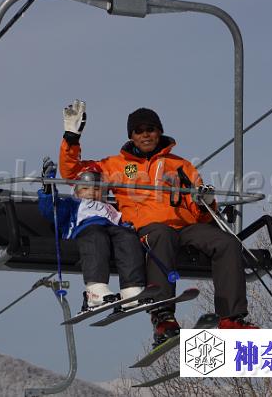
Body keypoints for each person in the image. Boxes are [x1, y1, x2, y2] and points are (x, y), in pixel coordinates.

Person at [58, 100, 258, 346]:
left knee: (227, 242)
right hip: (147, 226)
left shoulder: (181, 166)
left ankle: (231, 318)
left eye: (150, 129)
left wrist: (206, 202)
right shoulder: (115, 165)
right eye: (139, 131)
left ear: (159, 132)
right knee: (161, 235)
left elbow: (202, 215)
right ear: (131, 136)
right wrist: (71, 138)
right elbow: (73, 173)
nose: (145, 135)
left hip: (185, 226)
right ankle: (162, 316)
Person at [38, 159, 146, 311]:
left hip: (111, 233)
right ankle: (95, 289)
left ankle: (131, 289)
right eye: (85, 188)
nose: (91, 192)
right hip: (86, 233)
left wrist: (127, 227)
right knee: (96, 234)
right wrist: (48, 188)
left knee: (128, 237)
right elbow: (50, 210)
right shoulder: (73, 204)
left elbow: (121, 223)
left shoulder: (110, 208)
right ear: (76, 191)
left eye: (97, 189)